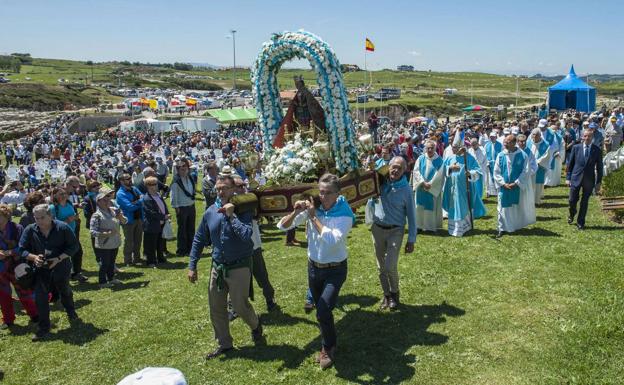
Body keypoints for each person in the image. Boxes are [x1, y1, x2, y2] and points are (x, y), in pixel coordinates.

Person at [277, 173, 354, 369]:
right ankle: (327, 341)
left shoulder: (345, 213)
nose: (323, 196)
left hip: (335, 270)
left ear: (338, 194)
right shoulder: (315, 207)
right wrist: (295, 212)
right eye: (321, 192)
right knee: (323, 312)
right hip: (314, 267)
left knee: (323, 309)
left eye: (328, 193)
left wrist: (312, 217)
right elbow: (282, 226)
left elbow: (331, 239)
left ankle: (328, 347)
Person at [187, 174, 263, 360]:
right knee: (216, 307)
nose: (220, 192)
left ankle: (255, 325)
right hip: (218, 266)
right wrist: (192, 265)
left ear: (233, 190)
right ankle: (225, 343)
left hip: (239, 266)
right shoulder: (210, 211)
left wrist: (231, 216)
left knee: (240, 305)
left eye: (225, 188)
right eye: (218, 188)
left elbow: (246, 235)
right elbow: (198, 239)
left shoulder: (243, 209)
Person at [19, 204, 80, 342]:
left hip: (61, 266)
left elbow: (74, 246)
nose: (39, 221)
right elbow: (21, 249)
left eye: (42, 217)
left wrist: (58, 258)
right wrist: (34, 257)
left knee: (64, 290)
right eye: (36, 218)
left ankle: (71, 311)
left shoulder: (62, 227)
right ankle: (44, 327)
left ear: (50, 216)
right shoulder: (30, 230)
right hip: (41, 270)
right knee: (40, 297)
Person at [369, 157, 416, 310]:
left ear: (404, 171)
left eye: (399, 168)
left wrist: (411, 239)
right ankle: (386, 295)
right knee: (381, 266)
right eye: (393, 167)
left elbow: (412, 216)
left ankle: (395, 293)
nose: (395, 170)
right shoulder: (380, 183)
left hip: (396, 230)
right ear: (388, 167)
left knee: (390, 265)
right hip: (377, 229)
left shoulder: (407, 190)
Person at [0, 204, 38, 329]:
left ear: (6, 216)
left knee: (24, 291)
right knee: (3, 295)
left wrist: (9, 252)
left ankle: (34, 314)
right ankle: (8, 319)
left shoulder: (17, 228)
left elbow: (23, 246)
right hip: (1, 269)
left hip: (17, 266)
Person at [442, 133, 487, 237]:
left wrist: (470, 174)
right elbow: (443, 170)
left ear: (461, 148)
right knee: (454, 206)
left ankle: (465, 227)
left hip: (465, 188)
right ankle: (454, 229)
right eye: (452, 147)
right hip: (452, 188)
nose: (453, 150)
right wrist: (450, 168)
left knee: (464, 206)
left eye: (455, 148)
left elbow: (478, 171)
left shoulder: (469, 158)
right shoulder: (450, 158)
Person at [493, 135, 535, 237]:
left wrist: (516, 182)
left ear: (513, 143)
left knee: (515, 207)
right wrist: (503, 183)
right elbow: (496, 171)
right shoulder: (501, 155)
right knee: (502, 207)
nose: (504, 144)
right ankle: (501, 228)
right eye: (504, 142)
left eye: (507, 142)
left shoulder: (522, 155)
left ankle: (513, 226)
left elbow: (526, 171)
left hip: (516, 186)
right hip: (504, 186)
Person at [566, 129, 603, 230]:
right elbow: (570, 164)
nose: (587, 138)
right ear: (582, 137)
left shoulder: (597, 150)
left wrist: (598, 182)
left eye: (589, 136)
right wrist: (568, 178)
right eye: (585, 136)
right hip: (575, 178)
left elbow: (600, 167)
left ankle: (580, 222)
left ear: (592, 138)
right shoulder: (576, 148)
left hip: (589, 180)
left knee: (584, 202)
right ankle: (572, 213)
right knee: (572, 200)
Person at [90, 187, 126, 288]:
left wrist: (121, 217)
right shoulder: (96, 215)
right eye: (104, 200)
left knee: (112, 262)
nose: (107, 202)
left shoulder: (114, 210)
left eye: (108, 200)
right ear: (98, 202)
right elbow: (93, 232)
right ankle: (102, 281)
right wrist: (106, 233)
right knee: (104, 263)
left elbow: (125, 221)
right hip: (104, 243)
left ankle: (111, 278)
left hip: (114, 242)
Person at [50, 187, 87, 283]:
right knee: (65, 255)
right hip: (62, 235)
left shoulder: (69, 204)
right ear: (55, 196)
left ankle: (76, 273)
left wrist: (75, 217)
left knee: (78, 252)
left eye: (64, 193)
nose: (63, 196)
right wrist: (66, 221)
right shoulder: (53, 208)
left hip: (73, 232)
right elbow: (51, 223)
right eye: (60, 194)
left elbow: (74, 215)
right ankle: (65, 276)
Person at [412, 140, 445, 232]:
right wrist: (422, 182)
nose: (430, 150)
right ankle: (418, 226)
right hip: (421, 187)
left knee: (430, 206)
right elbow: (416, 171)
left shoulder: (439, 160)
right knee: (419, 206)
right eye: (428, 148)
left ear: (435, 148)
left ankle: (430, 227)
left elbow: (440, 174)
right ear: (425, 148)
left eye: (432, 148)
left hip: (432, 188)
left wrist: (431, 184)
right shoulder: (420, 158)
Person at [116, 173, 144, 266]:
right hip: (128, 220)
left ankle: (137, 258)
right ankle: (128, 260)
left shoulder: (134, 188)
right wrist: (139, 202)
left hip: (139, 218)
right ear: (121, 181)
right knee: (129, 241)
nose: (130, 180)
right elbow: (129, 207)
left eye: (129, 178)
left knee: (138, 240)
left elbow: (144, 197)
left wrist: (136, 202)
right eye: (127, 179)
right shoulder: (120, 194)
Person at [170, 159, 196, 257]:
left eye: (185, 167)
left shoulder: (190, 178)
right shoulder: (176, 181)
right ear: (178, 169)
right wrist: (176, 208)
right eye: (182, 168)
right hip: (182, 208)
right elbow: (174, 196)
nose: (184, 169)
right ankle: (181, 250)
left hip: (191, 206)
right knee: (182, 229)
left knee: (191, 228)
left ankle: (190, 248)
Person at [142, 177, 169, 267]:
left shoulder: (157, 194)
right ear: (148, 186)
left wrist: (167, 214)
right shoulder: (146, 198)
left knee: (160, 242)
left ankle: (160, 258)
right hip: (151, 224)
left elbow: (163, 206)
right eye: (153, 184)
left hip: (161, 223)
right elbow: (151, 212)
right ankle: (151, 261)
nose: (155, 186)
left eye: (155, 184)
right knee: (151, 244)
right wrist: (163, 216)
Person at [527, 128, 551, 205]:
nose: (534, 137)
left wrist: (536, 162)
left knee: (538, 184)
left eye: (536, 135)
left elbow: (546, 156)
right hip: (529, 167)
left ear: (540, 135)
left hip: (540, 167)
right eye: (533, 135)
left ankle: (536, 200)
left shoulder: (545, 144)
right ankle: (529, 200)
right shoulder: (528, 143)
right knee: (530, 184)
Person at [484, 130, 502, 197]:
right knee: (488, 178)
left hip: (497, 163)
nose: (492, 138)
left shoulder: (500, 144)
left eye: (493, 137)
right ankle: (488, 192)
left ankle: (497, 191)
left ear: (496, 137)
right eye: (491, 137)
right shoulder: (487, 145)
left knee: (497, 176)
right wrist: (487, 162)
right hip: (489, 164)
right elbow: (485, 155)